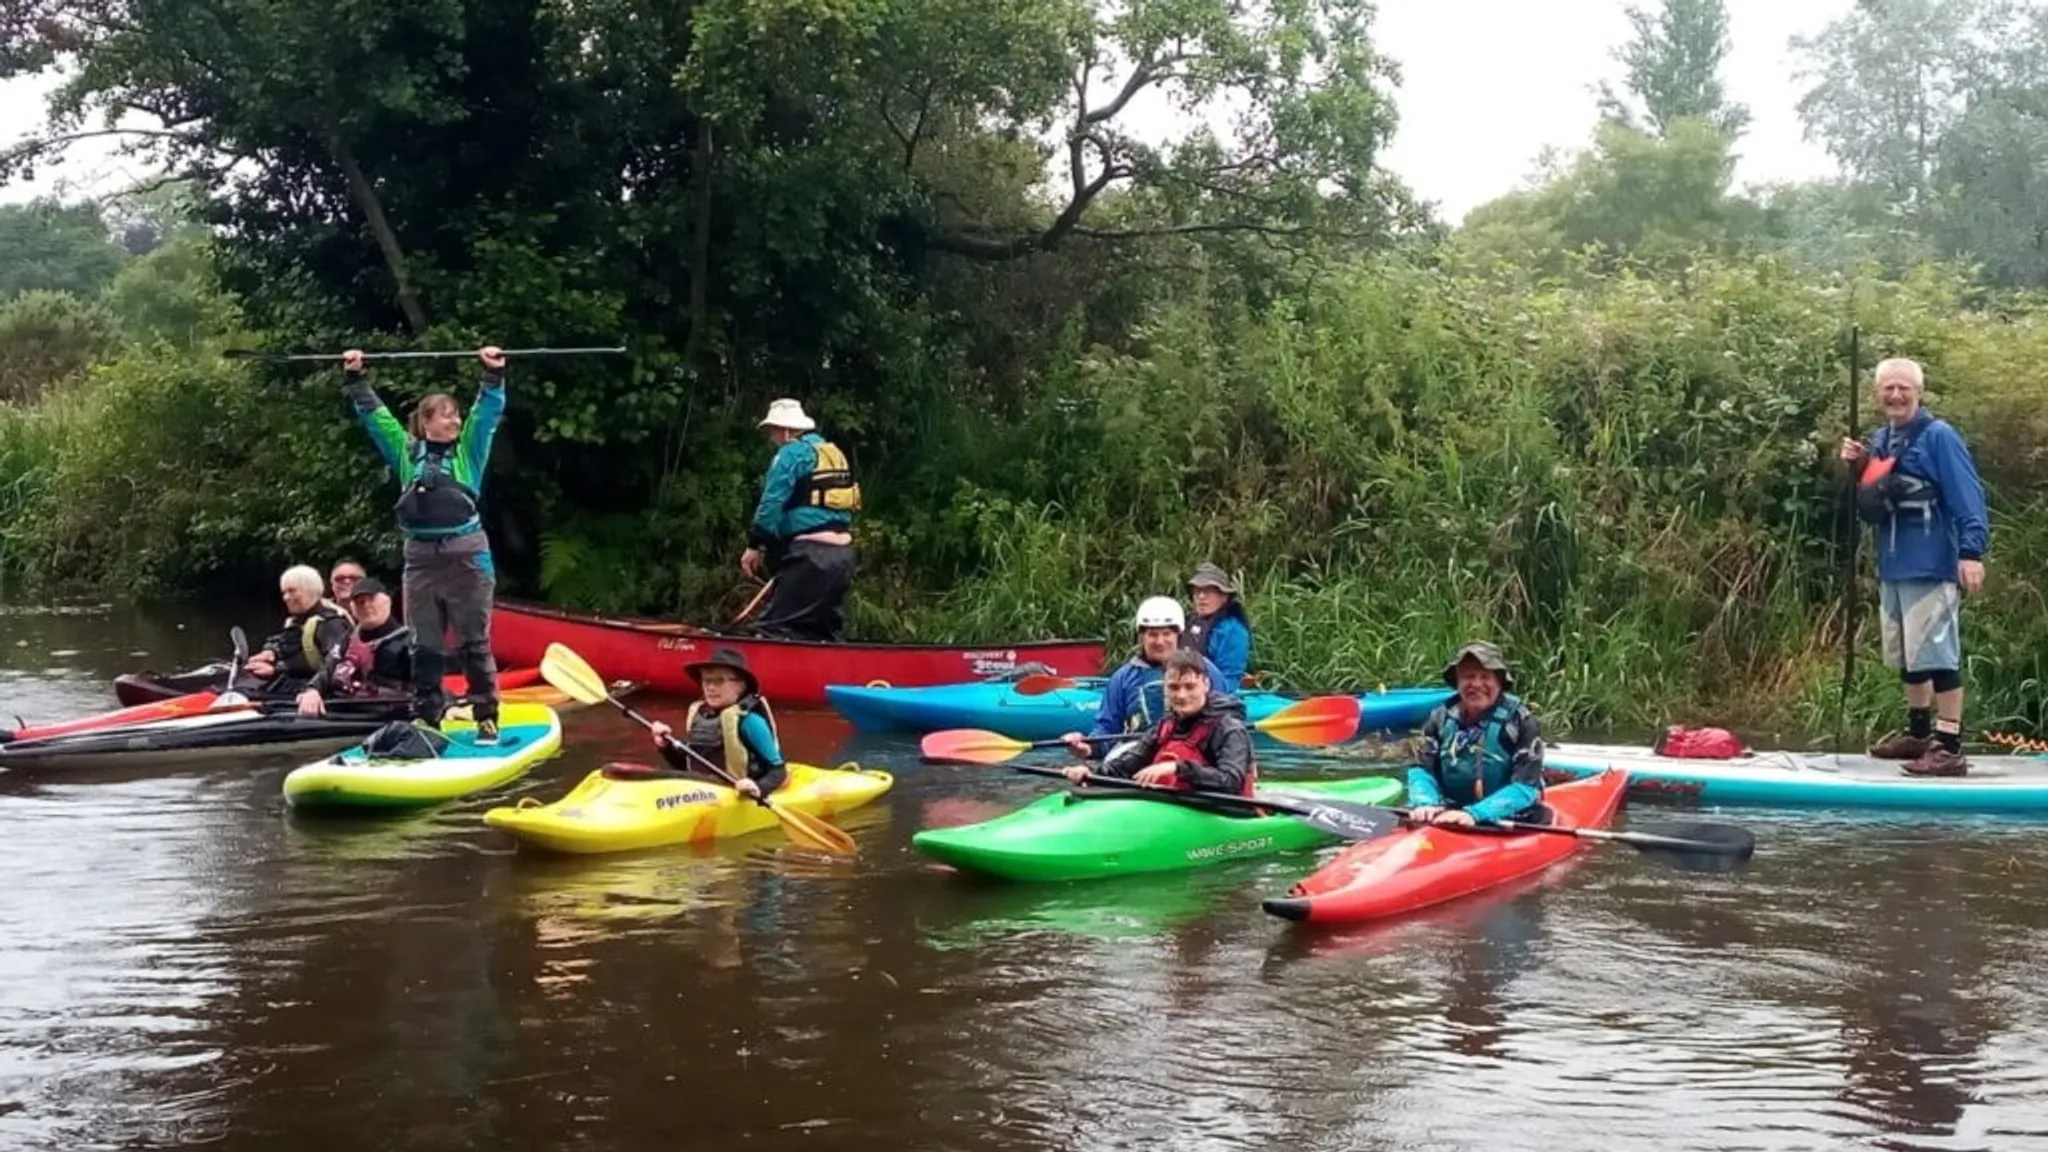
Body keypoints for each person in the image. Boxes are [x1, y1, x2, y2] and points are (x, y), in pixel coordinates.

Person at [343, 345, 507, 742]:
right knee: (425, 645)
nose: (456, 421)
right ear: (427, 421)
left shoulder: (468, 451)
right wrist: (355, 377)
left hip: (467, 557)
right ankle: (429, 717)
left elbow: (485, 415)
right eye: (447, 415)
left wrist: (493, 375)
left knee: (473, 642)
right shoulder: (406, 453)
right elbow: (377, 418)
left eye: (456, 415)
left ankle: (486, 715)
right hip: (420, 561)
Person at [1839, 356, 1991, 777]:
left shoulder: (1940, 436)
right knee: (1910, 654)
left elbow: (1967, 495)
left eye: (1904, 388)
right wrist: (1860, 465)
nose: (1896, 395)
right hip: (1893, 563)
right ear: (1878, 394)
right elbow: (1879, 493)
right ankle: (1919, 734)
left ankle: (1949, 747)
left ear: (1919, 392)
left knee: (1938, 655)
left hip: (1930, 562)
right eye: (1888, 388)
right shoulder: (1882, 439)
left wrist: (1971, 552)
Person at [742, 399, 859, 642]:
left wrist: (755, 545)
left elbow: (771, 504)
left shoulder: (790, 453)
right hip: (843, 558)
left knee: (774, 629)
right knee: (823, 632)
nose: (771, 438)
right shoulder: (833, 452)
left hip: (810, 557)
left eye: (773, 431)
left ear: (786, 430)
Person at [1061, 648, 1255, 795]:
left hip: (1223, 813)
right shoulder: (1165, 727)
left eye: (1190, 686)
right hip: (1175, 808)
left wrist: (1177, 768)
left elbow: (1230, 782)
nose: (1181, 695)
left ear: (1206, 684)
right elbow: (1125, 766)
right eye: (1174, 687)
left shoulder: (1229, 729)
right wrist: (1090, 773)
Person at [1060, 597, 1226, 761]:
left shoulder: (1204, 670)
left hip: (1194, 754)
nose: (1160, 641)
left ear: (1179, 635)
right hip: (1138, 754)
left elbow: (1225, 720)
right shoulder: (1123, 678)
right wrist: (1087, 748)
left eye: (1166, 634)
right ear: (1141, 637)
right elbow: (1107, 729)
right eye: (1153, 635)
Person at [1406, 641, 1547, 826]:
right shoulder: (1439, 718)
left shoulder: (1521, 722)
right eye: (1468, 676)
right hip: (1448, 813)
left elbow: (1525, 787)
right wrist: (1425, 803)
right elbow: (1421, 768)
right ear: (1458, 681)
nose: (1476, 684)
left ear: (1499, 682)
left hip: (1512, 818)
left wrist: (1475, 814)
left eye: (1485, 677)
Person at [647, 647, 788, 798]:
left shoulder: (750, 721)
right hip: (705, 794)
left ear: (741, 685)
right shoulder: (701, 718)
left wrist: (758, 788)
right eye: (706, 681)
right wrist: (666, 747)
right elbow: (688, 766)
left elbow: (778, 770)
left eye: (719, 681)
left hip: (740, 793)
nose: (710, 687)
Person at [243, 564, 362, 717]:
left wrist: (276, 671)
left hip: (320, 692)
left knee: (249, 695)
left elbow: (334, 664)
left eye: (292, 591)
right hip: (295, 683)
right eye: (284, 592)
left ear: (310, 590)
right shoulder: (300, 619)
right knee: (243, 688)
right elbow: (284, 642)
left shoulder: (331, 624)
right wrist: (270, 652)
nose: (286, 597)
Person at [1179, 562, 1252, 689]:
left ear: (1224, 596)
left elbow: (1229, 680)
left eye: (1208, 591)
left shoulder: (1232, 631)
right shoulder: (1187, 622)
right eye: (1197, 591)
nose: (1201, 596)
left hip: (1213, 693)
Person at [336, 577, 414, 693]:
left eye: (371, 599)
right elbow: (327, 670)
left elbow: (424, 686)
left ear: (387, 602)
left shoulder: (409, 642)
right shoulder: (347, 639)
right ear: (353, 609)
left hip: (393, 702)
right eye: (360, 602)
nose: (366, 606)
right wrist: (313, 690)